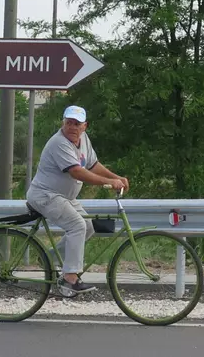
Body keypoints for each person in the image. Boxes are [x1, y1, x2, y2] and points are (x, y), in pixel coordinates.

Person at [26, 105, 128, 295]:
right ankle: (70, 279)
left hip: (65, 197)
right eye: (68, 122)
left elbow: (93, 165)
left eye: (77, 123)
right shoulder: (59, 143)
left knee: (88, 226)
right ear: (63, 123)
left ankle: (48, 258)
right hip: (45, 195)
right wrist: (109, 182)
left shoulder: (83, 139)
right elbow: (77, 172)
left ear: (85, 126)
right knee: (77, 226)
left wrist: (117, 177)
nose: (72, 127)